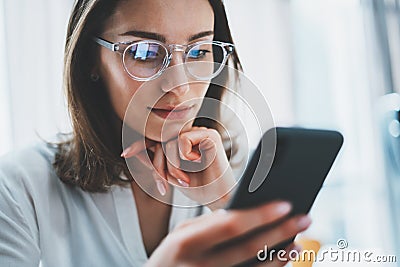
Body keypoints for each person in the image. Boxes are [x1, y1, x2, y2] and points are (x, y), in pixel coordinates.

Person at [0, 0, 311, 266]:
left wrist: (228, 208)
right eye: (146, 52)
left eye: (199, 52)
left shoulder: (233, 171)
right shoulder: (18, 186)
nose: (181, 85)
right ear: (89, 61)